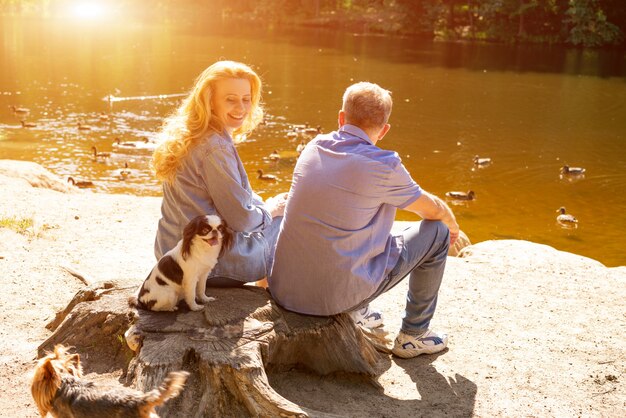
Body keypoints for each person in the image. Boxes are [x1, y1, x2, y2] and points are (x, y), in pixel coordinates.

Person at [269, 82, 460, 358]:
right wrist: (452, 227)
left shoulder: (313, 146)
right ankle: (413, 335)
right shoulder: (384, 164)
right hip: (331, 299)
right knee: (438, 232)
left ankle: (359, 308)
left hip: (284, 290)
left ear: (341, 117)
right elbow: (434, 212)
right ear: (384, 130)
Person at [152, 60, 287, 287]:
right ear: (210, 101)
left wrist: (265, 207)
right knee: (286, 220)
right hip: (209, 265)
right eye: (231, 99)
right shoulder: (215, 147)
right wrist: (272, 211)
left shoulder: (189, 134)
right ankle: (270, 300)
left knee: (270, 214)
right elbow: (242, 219)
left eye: (246, 99)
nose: (242, 108)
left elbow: (239, 200)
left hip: (170, 253)